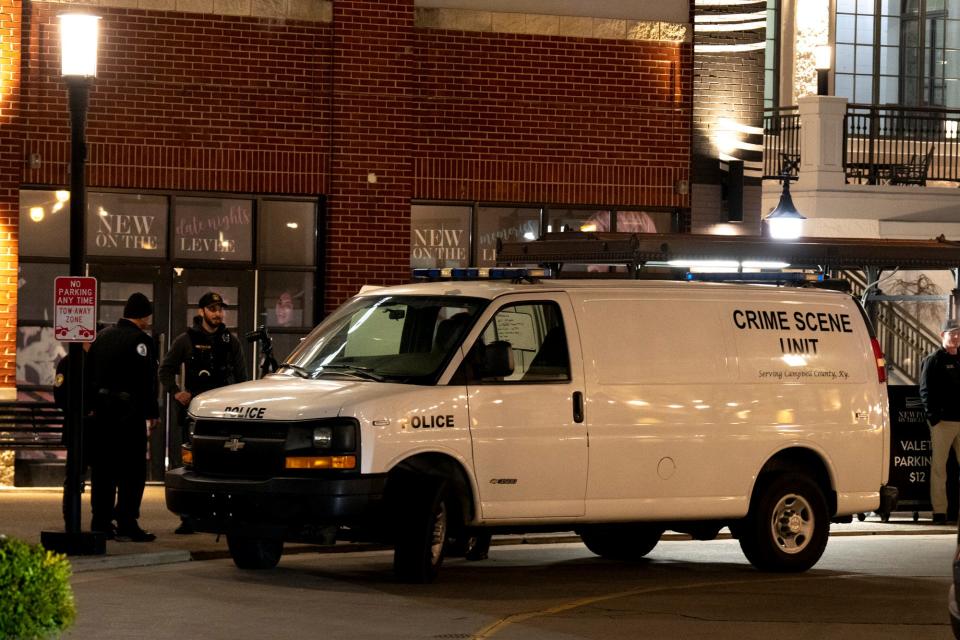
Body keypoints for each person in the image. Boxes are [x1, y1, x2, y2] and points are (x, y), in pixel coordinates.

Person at [159, 291, 247, 534]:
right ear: (201, 312)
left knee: (226, 466)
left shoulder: (231, 341)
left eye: (220, 309)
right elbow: (165, 370)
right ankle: (188, 518)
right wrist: (177, 392)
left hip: (225, 415)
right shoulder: (185, 340)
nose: (218, 314)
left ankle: (224, 515)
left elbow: (243, 378)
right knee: (190, 466)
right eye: (212, 309)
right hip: (193, 415)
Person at [84, 293, 159, 542]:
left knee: (103, 470)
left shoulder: (103, 336)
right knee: (132, 471)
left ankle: (101, 522)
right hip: (128, 415)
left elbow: (89, 371)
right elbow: (146, 379)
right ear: (143, 315)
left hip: (101, 415)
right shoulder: (141, 341)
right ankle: (127, 520)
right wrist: (152, 412)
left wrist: (92, 404)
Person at [919, 318, 960, 525]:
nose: (956, 337)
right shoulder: (933, 360)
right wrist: (933, 418)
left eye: (958, 333)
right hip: (942, 422)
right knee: (939, 468)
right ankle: (940, 512)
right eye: (951, 333)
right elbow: (925, 390)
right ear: (942, 335)